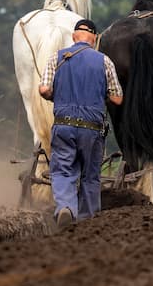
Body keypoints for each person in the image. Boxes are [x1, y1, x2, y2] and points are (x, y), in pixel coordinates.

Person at [39, 19, 123, 228]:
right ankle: (87, 222)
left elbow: (43, 90)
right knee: (90, 176)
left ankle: (66, 208)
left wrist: (57, 95)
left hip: (64, 124)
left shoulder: (56, 58)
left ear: (74, 36)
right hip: (92, 129)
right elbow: (117, 98)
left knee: (63, 170)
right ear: (94, 38)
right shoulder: (104, 61)